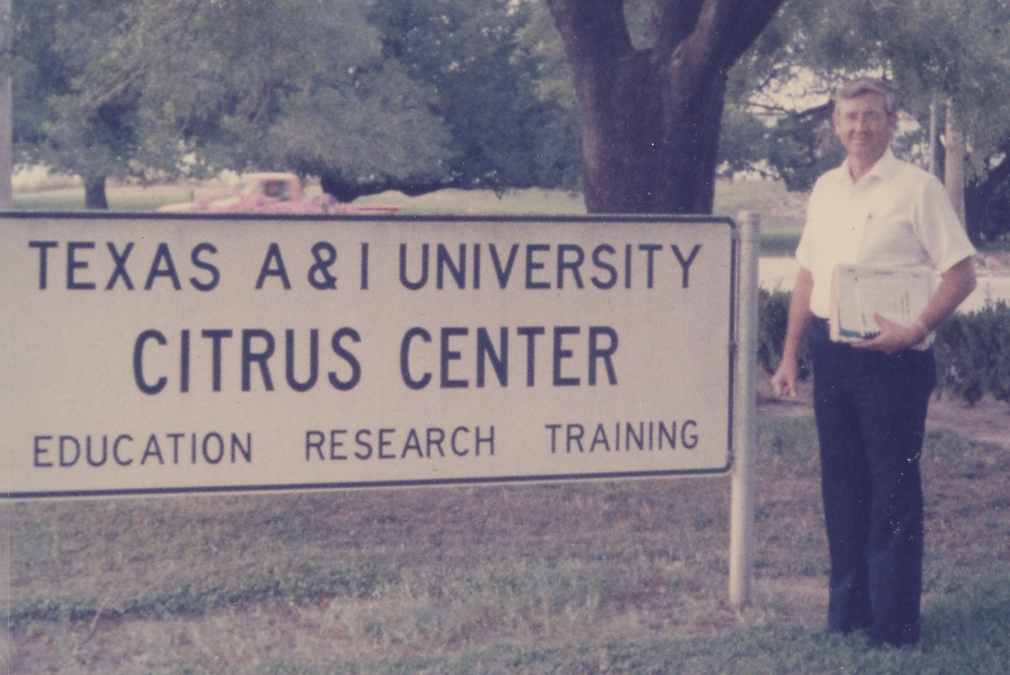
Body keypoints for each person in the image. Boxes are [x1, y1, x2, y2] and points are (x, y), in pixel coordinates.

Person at [771, 77, 977, 648]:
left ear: (891, 123)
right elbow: (808, 275)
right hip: (832, 356)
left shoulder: (918, 189)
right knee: (842, 487)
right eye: (849, 117)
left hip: (895, 363)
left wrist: (915, 329)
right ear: (835, 125)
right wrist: (790, 356)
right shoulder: (825, 189)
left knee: (891, 490)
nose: (859, 127)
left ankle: (894, 628)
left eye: (870, 116)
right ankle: (849, 614)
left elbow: (962, 274)